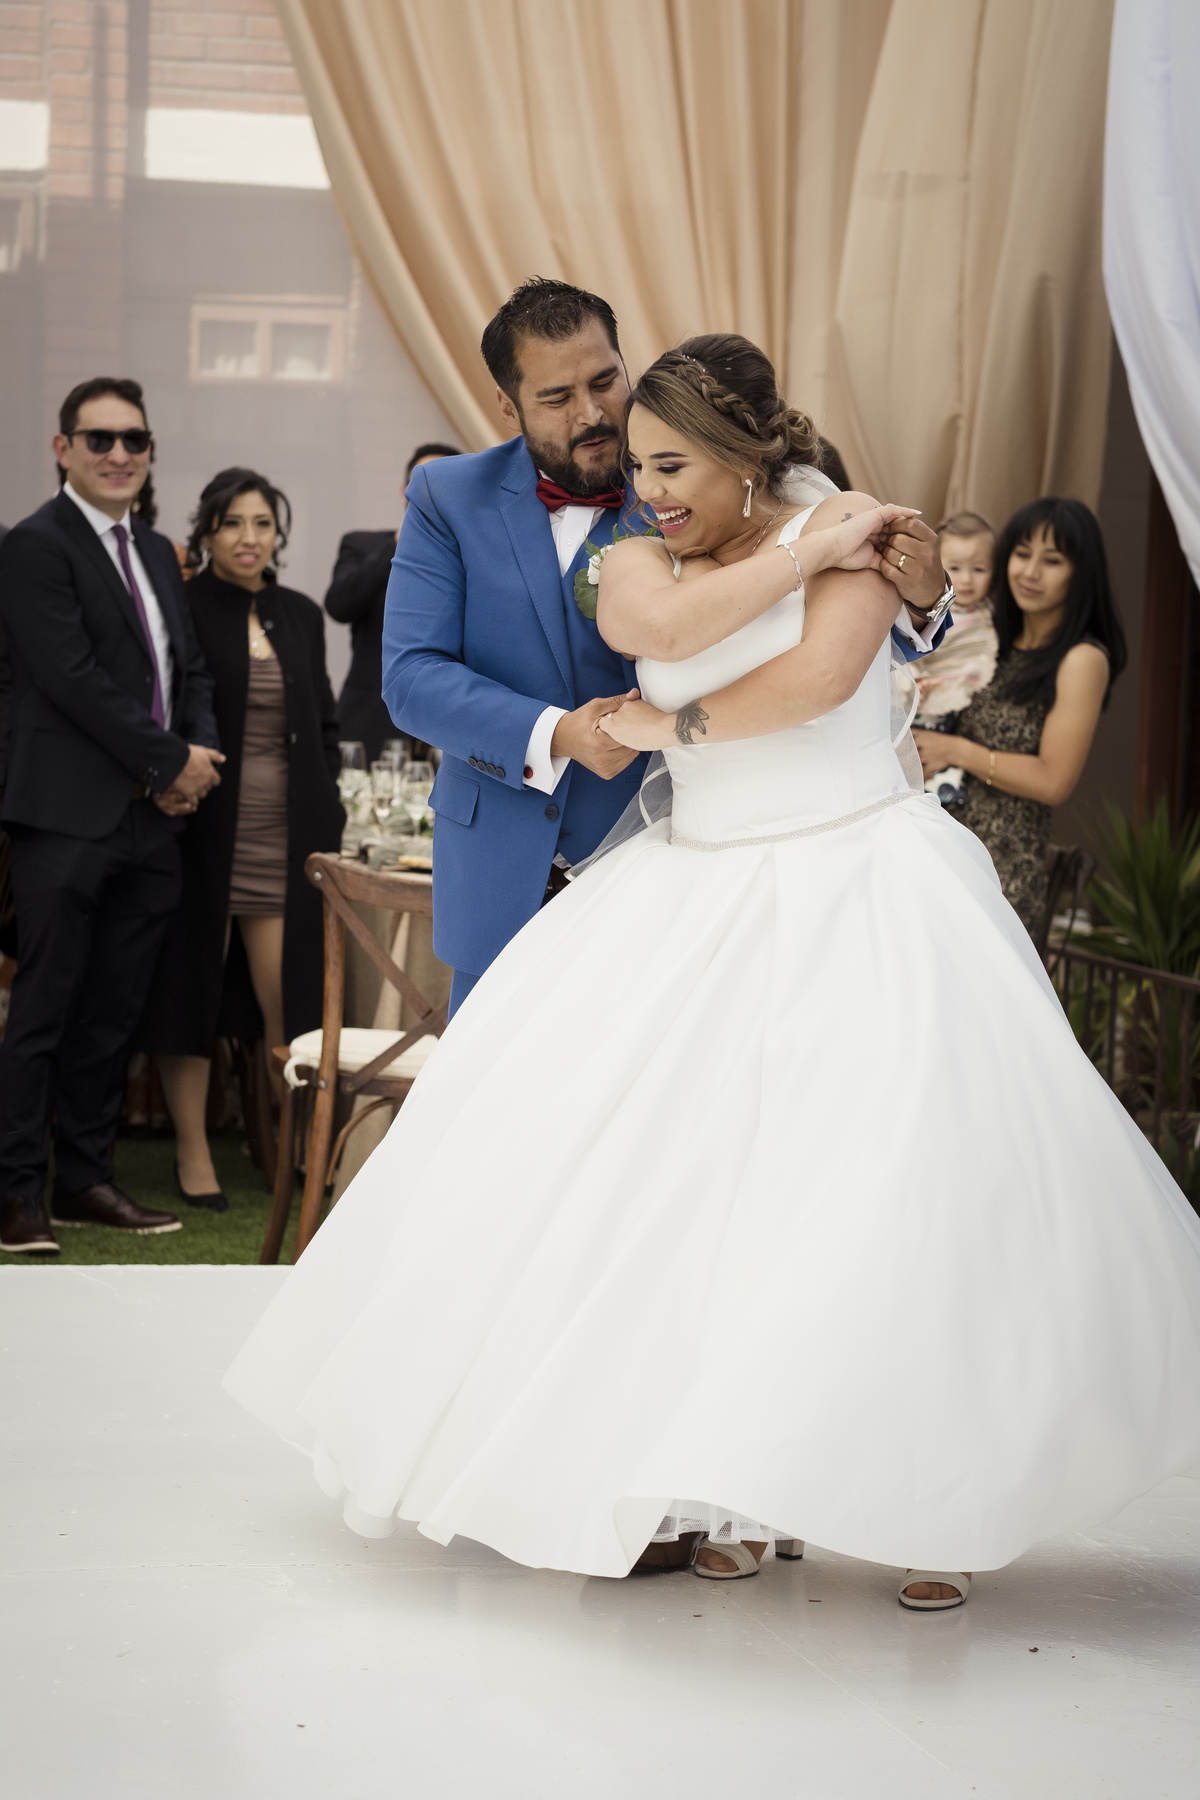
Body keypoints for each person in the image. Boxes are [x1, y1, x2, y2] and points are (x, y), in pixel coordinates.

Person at [225, 334, 1200, 1612]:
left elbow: (816, 682)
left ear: (749, 457)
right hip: (699, 885)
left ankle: (935, 1500)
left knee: (892, 1198)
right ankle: (727, 1484)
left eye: (674, 463)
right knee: (707, 1203)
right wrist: (809, 544)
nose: (650, 489)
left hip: (858, 881)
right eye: (638, 465)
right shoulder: (660, 550)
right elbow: (653, 623)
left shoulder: (858, 552)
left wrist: (674, 709)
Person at [381, 278, 953, 1018]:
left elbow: (831, 646)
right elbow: (411, 677)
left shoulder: (696, 481)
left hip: (671, 867)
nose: (592, 414)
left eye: (604, 380)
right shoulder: (445, 496)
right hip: (500, 869)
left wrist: (925, 597)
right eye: (557, 397)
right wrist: (554, 734)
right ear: (507, 404)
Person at [0, 377, 222, 1254]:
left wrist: (196, 764)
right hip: (66, 818)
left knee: (112, 1014)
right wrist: (170, 761)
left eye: (135, 440)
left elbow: (189, 669)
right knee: (45, 1012)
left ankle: (85, 1179)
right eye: (100, 440)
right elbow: (71, 680)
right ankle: (17, 1195)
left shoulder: (158, 553)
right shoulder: (33, 546)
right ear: (63, 450)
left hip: (153, 825)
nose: (120, 454)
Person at [142, 469, 344, 1208]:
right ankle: (194, 1155)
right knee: (187, 993)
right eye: (233, 524)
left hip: (286, 837)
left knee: (287, 1003)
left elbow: (321, 720)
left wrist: (331, 815)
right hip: (202, 831)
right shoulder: (184, 606)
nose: (249, 538)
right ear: (208, 533)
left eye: (262, 524)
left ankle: (294, 1150)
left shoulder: (301, 612)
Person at [913, 497, 1126, 936]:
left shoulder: (1081, 659)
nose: (1030, 572)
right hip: (941, 849)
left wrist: (956, 750)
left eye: (1052, 560)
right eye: (1022, 554)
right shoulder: (989, 640)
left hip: (1000, 868)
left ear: (1080, 572)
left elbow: (1053, 781)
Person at [325, 443, 462, 763]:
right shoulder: (362, 544)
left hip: (452, 727)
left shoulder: (476, 558)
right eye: (422, 484)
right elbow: (338, 605)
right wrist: (402, 543)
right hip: (371, 723)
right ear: (404, 491)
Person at [912, 512, 998, 808]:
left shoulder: (988, 611)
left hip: (964, 701)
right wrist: (913, 681)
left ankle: (945, 788)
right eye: (955, 568)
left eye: (979, 569)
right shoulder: (934, 610)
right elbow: (911, 645)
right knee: (923, 751)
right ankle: (931, 792)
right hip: (931, 698)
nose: (966, 579)